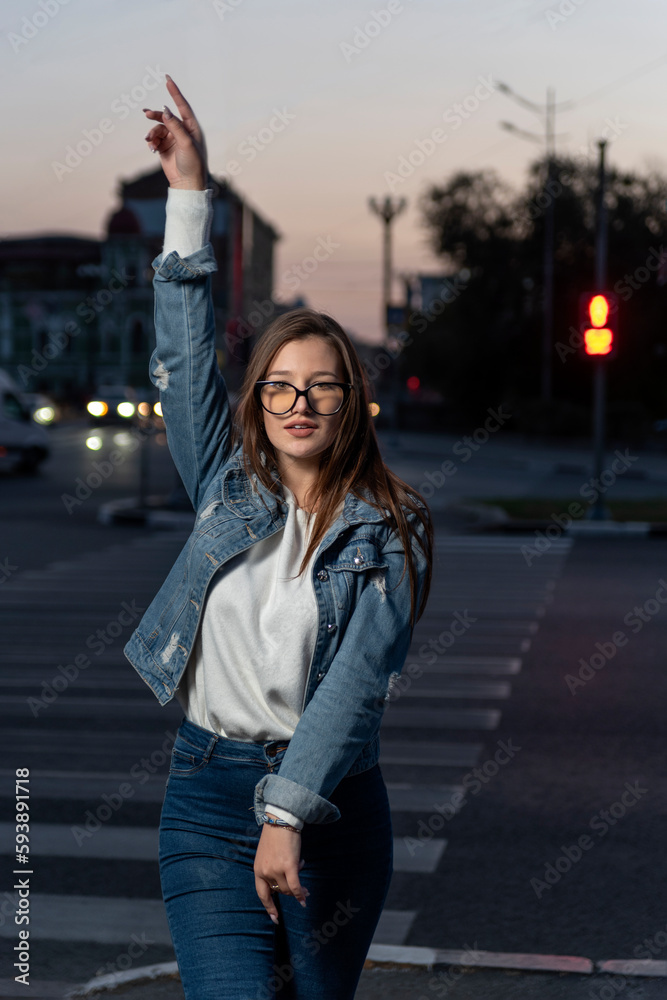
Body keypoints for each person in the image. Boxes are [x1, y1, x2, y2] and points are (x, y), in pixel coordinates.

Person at [124, 75, 433, 1000]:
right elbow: (183, 361)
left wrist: (289, 813)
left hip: (331, 812)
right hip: (206, 795)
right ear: (257, 402)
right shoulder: (226, 485)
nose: (300, 404)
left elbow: (354, 687)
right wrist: (188, 190)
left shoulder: (391, 529)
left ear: (352, 402)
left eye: (323, 386)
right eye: (279, 386)